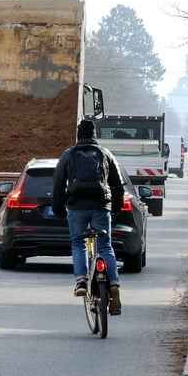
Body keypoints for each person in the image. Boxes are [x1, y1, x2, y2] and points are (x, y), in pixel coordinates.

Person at [53, 118, 124, 315]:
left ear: (78, 135)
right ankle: (114, 284)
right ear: (95, 135)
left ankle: (82, 281)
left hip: (77, 207)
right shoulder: (105, 153)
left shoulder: (69, 154)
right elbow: (117, 184)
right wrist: (116, 207)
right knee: (105, 246)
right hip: (100, 206)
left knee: (78, 243)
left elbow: (58, 182)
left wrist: (58, 208)